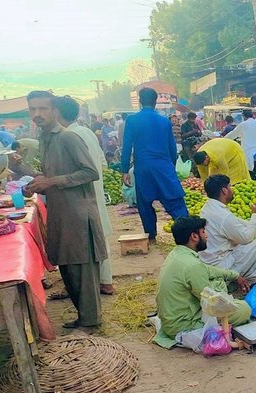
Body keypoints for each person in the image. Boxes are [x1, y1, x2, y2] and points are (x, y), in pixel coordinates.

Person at [24, 91, 107, 329]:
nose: (37, 114)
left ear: (55, 111)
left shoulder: (68, 137)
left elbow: (90, 172)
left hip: (78, 214)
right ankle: (83, 318)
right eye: (33, 109)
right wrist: (37, 181)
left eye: (43, 108)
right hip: (61, 213)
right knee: (68, 268)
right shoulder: (44, 139)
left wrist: (51, 182)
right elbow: (54, 174)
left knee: (83, 270)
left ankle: (91, 323)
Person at [155, 216, 252, 342]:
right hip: (183, 326)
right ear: (194, 236)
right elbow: (212, 303)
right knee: (244, 309)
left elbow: (208, 270)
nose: (206, 236)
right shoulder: (192, 265)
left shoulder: (177, 255)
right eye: (203, 232)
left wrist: (234, 275)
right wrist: (222, 289)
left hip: (171, 321)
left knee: (219, 281)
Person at [55, 96, 115, 296]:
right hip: (94, 192)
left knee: (83, 241)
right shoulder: (86, 131)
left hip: (80, 195)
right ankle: (105, 280)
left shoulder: (67, 136)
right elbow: (102, 162)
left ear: (56, 113)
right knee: (99, 236)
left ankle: (85, 285)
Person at [121, 87, 189, 241]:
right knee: (175, 202)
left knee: (145, 203)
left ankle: (151, 235)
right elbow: (172, 148)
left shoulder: (132, 120)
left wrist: (124, 170)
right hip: (163, 166)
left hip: (143, 167)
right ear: (155, 101)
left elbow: (126, 146)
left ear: (140, 101)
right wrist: (171, 167)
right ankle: (188, 233)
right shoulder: (164, 121)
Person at [199, 175, 256, 283]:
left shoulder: (209, 207)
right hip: (221, 265)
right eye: (230, 187)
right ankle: (249, 281)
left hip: (211, 262)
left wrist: (253, 227)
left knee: (246, 240)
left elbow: (235, 222)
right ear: (224, 191)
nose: (232, 190)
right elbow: (246, 238)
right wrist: (255, 215)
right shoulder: (222, 215)